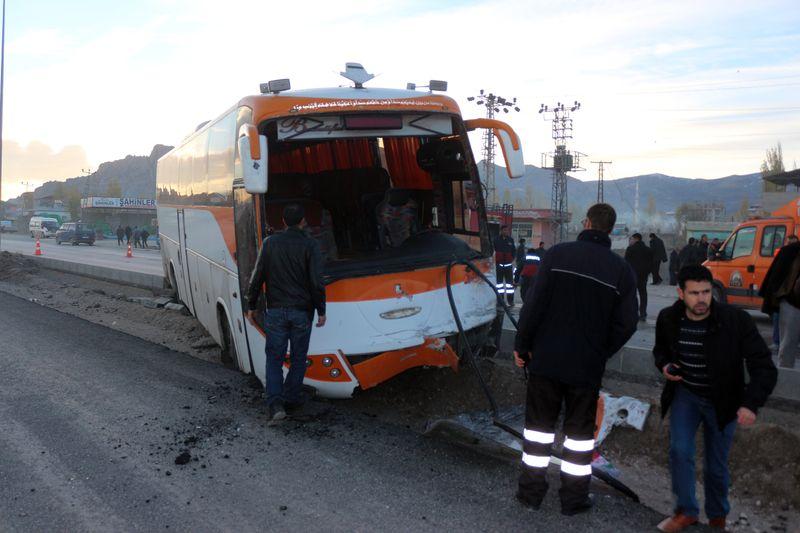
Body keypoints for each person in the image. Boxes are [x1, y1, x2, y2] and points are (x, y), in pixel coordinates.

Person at [513, 203, 638, 516]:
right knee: (579, 438)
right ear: (610, 229)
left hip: (546, 360)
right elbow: (627, 324)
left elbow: (533, 304)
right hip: (586, 368)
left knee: (538, 430)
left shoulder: (557, 255)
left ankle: (530, 494)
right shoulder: (621, 270)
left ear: (586, 223)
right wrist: (599, 351)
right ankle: (574, 500)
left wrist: (522, 345)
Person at [653, 265, 777, 532]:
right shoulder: (668, 318)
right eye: (694, 293)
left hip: (724, 400)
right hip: (686, 395)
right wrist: (664, 366)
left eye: (706, 292)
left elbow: (763, 366)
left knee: (716, 466)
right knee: (679, 451)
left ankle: (717, 518)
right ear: (681, 293)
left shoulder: (734, 320)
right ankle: (686, 511)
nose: (701, 299)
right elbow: (660, 350)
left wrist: (750, 403)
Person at [246, 204, 327, 424]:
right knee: (299, 358)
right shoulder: (310, 245)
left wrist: (251, 305)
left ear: (283, 222)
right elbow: (316, 281)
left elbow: (257, 276)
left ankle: (275, 405)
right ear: (303, 222)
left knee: (274, 358)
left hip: (276, 312)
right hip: (302, 312)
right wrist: (321, 310)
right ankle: (291, 398)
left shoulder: (270, 243)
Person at [758, 235, 800, 369]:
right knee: (787, 345)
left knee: (787, 344)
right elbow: (775, 278)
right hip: (792, 302)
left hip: (791, 303)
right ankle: (785, 380)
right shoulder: (790, 251)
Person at [625, 233, 654, 321]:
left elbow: (626, 263)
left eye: (632, 239)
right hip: (643, 275)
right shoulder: (648, 250)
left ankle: (632, 313)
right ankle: (643, 313)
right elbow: (651, 263)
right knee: (643, 294)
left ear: (636, 239)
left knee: (632, 295)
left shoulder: (630, 249)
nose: (631, 240)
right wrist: (647, 272)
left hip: (633, 275)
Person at [494, 225, 517, 306]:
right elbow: (493, 251)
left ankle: (510, 301)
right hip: (499, 266)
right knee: (499, 285)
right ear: (501, 231)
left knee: (510, 286)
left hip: (508, 266)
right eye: (504, 230)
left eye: (507, 230)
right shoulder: (496, 239)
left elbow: (514, 251)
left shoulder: (510, 240)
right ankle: (500, 301)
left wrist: (512, 258)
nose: (506, 232)